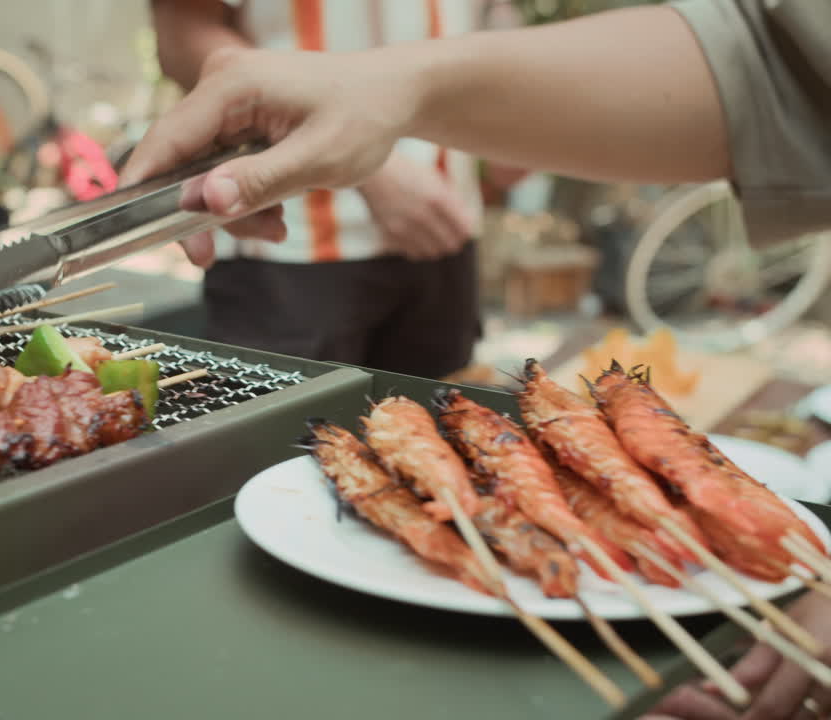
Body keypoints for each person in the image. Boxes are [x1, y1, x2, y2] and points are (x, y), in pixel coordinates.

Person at [119, 1, 831, 718]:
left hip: (443, 230)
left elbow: (758, 70)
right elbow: (765, 63)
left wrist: (476, 121)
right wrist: (387, 135)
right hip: (294, 242)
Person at [147, 0, 523, 380]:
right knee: (278, 436)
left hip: (447, 228)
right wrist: (371, 162)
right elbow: (183, 33)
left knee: (437, 428)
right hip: (292, 245)